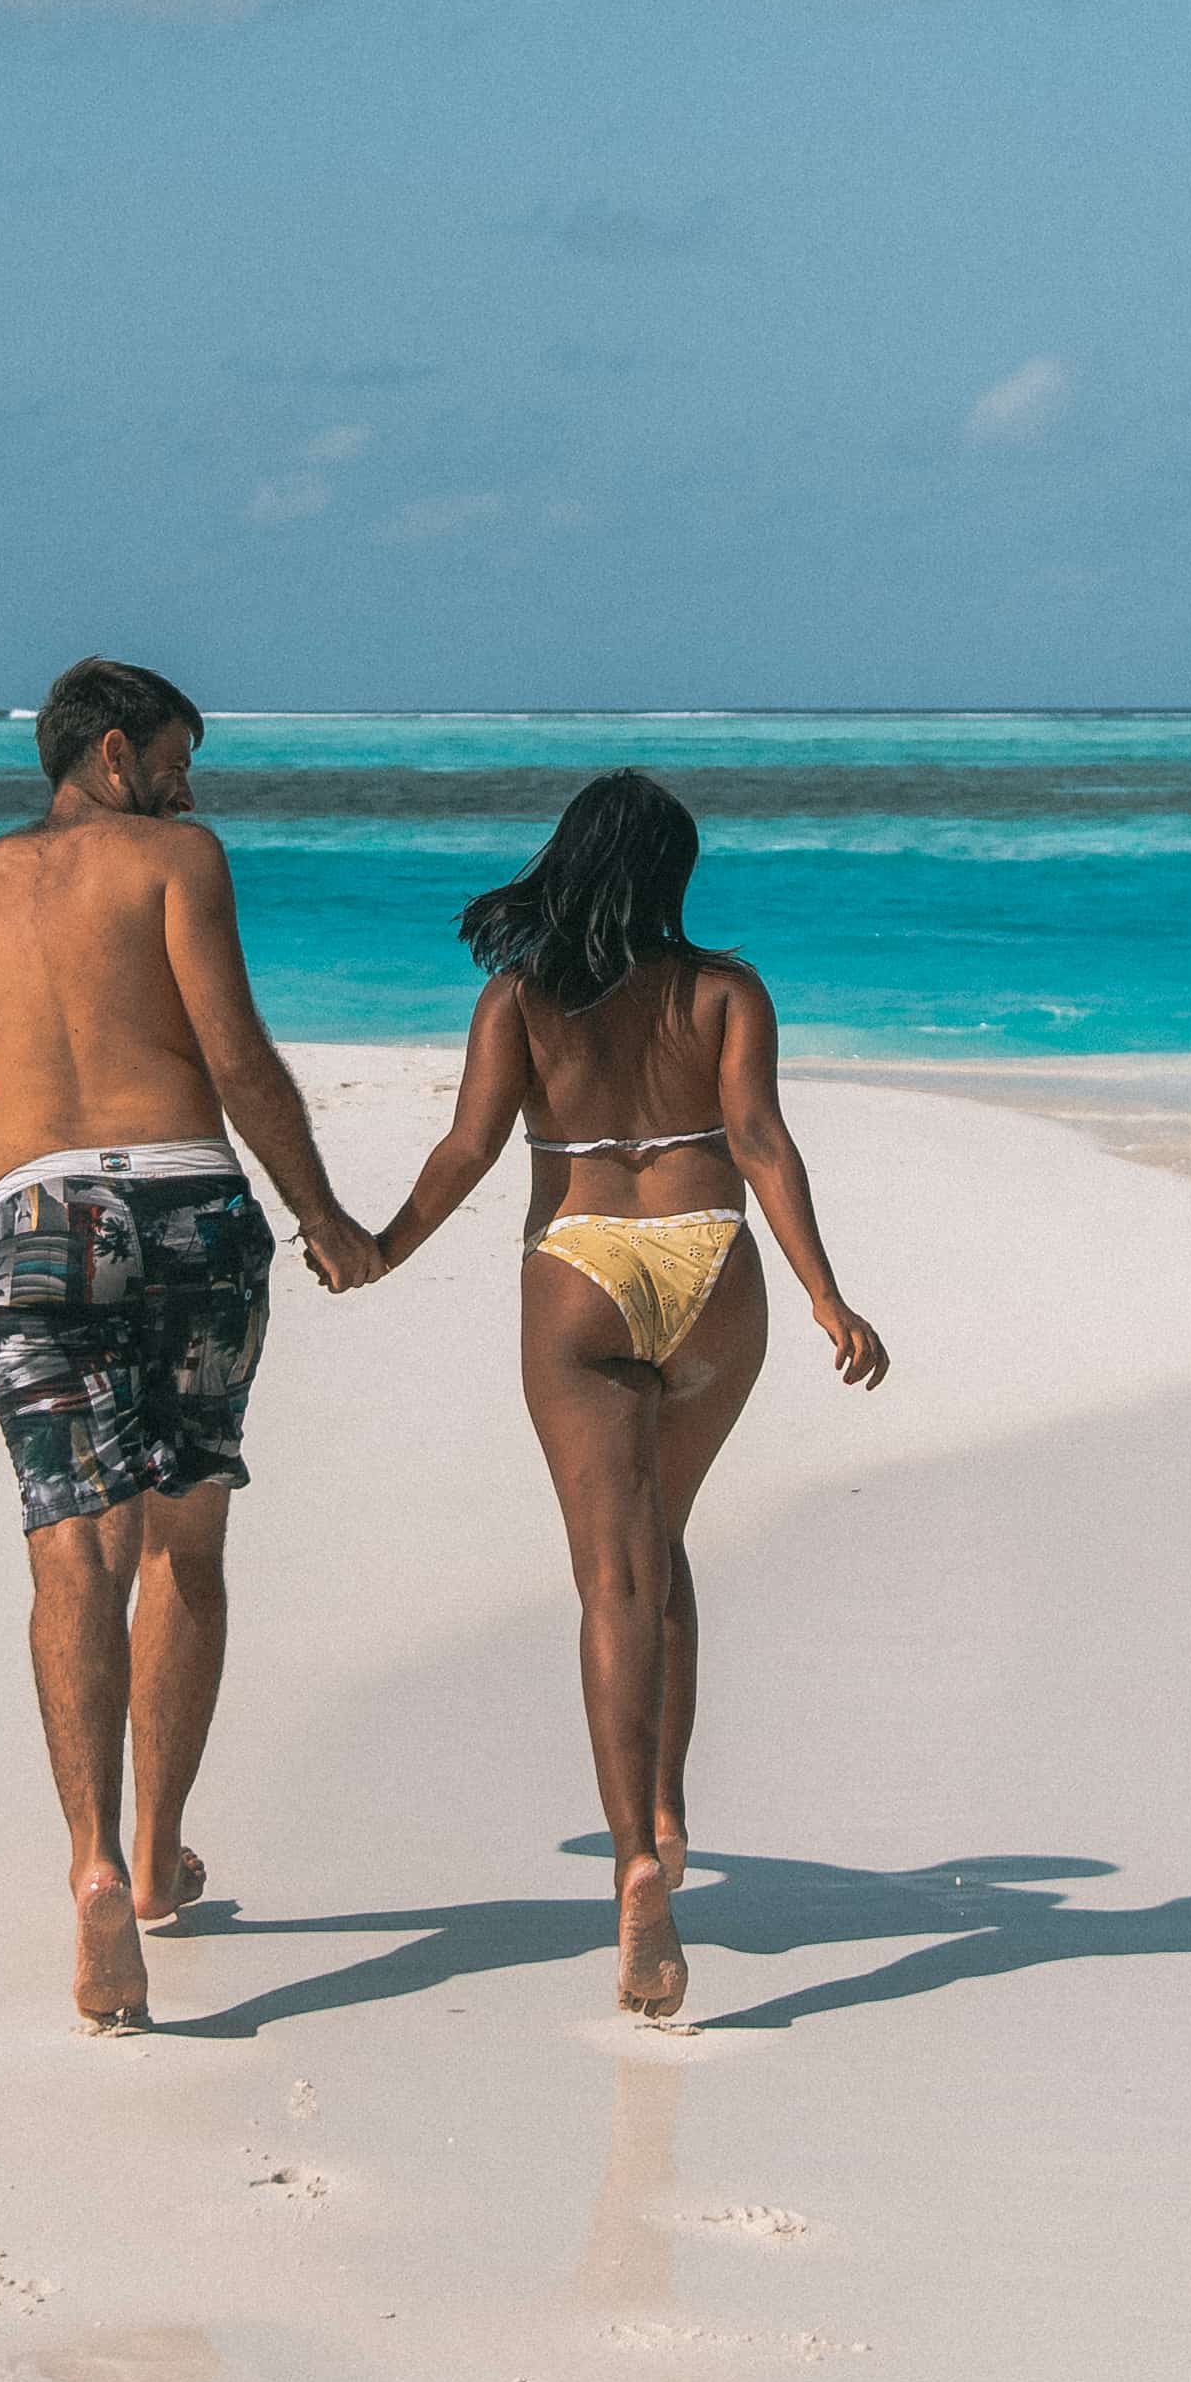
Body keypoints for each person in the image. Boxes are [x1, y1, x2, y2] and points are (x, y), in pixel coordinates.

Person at [359, 767, 885, 2020]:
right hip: (712, 1262)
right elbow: (760, 1141)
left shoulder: (518, 998)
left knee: (613, 1576)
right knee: (662, 1540)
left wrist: (380, 1247)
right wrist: (824, 1295)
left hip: (583, 1260)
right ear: (670, 875)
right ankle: (665, 1802)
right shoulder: (724, 989)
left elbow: (469, 1149)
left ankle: (632, 1862)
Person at [0, 657, 377, 2034]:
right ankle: (165, 1855)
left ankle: (96, 1862)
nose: (191, 781)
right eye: (177, 754)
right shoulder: (177, 857)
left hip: (39, 1219)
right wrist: (322, 1214)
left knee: (74, 1546)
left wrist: (26, 1150)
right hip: (188, 1207)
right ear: (115, 755)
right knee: (187, 1541)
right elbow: (232, 1054)